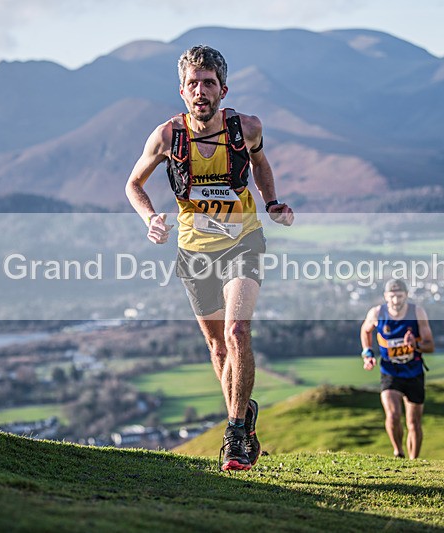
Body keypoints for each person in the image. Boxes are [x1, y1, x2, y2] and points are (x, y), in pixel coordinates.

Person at [125, 45, 294, 471]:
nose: (201, 91)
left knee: (237, 331)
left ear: (223, 89)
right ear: (182, 91)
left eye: (209, 84)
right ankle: (245, 418)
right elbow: (133, 183)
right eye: (193, 84)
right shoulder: (167, 136)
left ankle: (236, 434)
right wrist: (150, 218)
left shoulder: (247, 128)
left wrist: (272, 202)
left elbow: (260, 164)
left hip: (243, 242)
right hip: (195, 251)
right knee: (218, 348)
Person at [360, 278, 435, 459]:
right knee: (393, 415)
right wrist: (367, 353)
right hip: (390, 371)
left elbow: (430, 346)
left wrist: (414, 345)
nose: (396, 300)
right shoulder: (377, 313)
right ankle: (398, 452)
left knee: (413, 422)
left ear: (406, 296)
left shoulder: (417, 313)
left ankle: (413, 461)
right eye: (392, 296)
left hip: (414, 371)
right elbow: (365, 330)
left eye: (399, 296)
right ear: (386, 296)